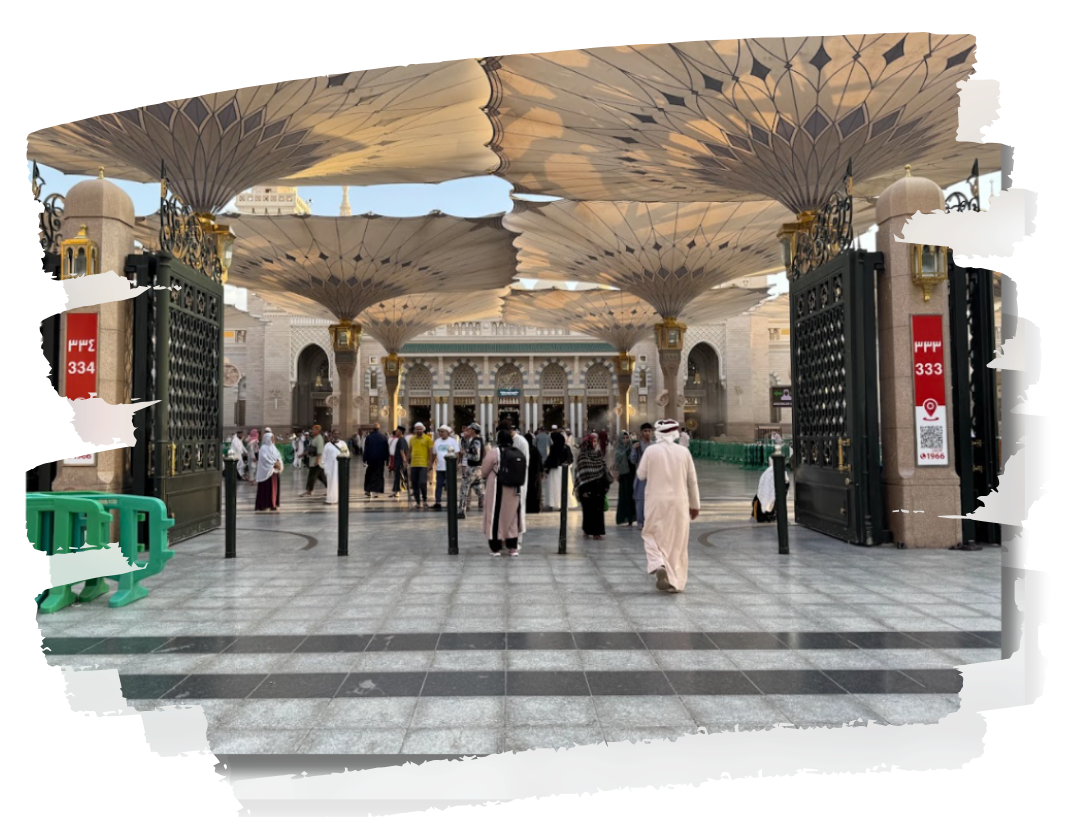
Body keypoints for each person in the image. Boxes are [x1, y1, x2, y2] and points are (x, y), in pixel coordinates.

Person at [636, 419, 701, 594]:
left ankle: (658, 563)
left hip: (655, 502)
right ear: (675, 433)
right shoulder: (684, 452)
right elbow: (692, 481)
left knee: (650, 534)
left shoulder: (651, 451)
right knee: (677, 543)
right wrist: (695, 505)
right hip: (679, 502)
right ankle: (675, 583)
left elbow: (641, 475)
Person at [481, 428, 525, 556]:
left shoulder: (495, 452)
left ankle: (496, 548)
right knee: (512, 516)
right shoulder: (517, 452)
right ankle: (512, 547)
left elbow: (484, 471)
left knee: (495, 515)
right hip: (514, 488)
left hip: (497, 487)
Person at [575, 433, 611, 540]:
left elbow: (603, 468)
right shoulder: (582, 456)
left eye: (596, 441)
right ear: (588, 442)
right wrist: (583, 491)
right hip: (587, 488)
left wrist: (605, 484)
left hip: (598, 487)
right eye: (593, 441)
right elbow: (581, 473)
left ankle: (597, 533)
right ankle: (587, 530)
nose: (595, 443)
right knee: (588, 511)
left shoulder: (598, 454)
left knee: (598, 511)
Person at [457, 422, 486, 519]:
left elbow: (476, 457)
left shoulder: (476, 441)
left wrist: (465, 453)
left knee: (463, 490)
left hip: (473, 468)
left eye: (469, 429)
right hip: (477, 468)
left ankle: (461, 511)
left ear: (473, 430)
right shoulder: (479, 439)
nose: (467, 430)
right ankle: (493, 506)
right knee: (479, 491)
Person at [752, 456, 791, 523]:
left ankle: (767, 515)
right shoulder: (781, 470)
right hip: (776, 496)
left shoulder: (767, 472)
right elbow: (786, 482)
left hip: (765, 498)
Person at [629, 422, 653, 527]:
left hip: (653, 476)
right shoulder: (638, 445)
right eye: (645, 431)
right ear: (641, 432)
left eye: (649, 431)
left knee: (653, 499)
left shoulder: (655, 445)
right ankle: (640, 522)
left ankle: (650, 521)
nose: (647, 433)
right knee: (640, 499)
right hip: (641, 477)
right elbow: (633, 460)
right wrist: (634, 449)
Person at [431, 425, 460, 511]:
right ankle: (438, 502)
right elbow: (434, 454)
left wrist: (456, 464)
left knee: (450, 486)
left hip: (450, 468)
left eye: (442, 431)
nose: (441, 433)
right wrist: (431, 464)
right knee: (439, 485)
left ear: (447, 432)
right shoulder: (437, 442)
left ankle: (450, 501)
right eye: (440, 432)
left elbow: (457, 453)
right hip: (440, 467)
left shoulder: (452, 441)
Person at [254, 431, 284, 511]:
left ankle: (273, 504)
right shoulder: (263, 448)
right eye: (271, 438)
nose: (273, 439)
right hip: (267, 472)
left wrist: (279, 463)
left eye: (273, 438)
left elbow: (278, 456)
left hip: (274, 471)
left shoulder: (274, 448)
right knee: (266, 489)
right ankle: (265, 505)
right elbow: (264, 459)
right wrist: (274, 463)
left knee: (274, 488)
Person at [614, 431, 637, 527]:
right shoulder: (618, 450)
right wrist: (629, 451)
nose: (625, 440)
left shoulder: (633, 448)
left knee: (633, 497)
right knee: (625, 497)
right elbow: (619, 458)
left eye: (627, 438)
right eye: (623, 438)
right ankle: (627, 518)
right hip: (624, 477)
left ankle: (634, 517)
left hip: (633, 475)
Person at [409, 423, 433, 509]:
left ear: (423, 429)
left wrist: (430, 462)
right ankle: (418, 502)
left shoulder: (428, 439)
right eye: (417, 429)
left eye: (420, 429)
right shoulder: (412, 439)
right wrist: (407, 462)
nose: (419, 430)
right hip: (414, 464)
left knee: (423, 483)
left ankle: (425, 499)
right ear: (415, 430)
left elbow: (430, 451)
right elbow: (410, 450)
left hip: (423, 464)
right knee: (414, 483)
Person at [362, 423, 390, 498]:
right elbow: (386, 449)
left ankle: (368, 490)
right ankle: (376, 491)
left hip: (371, 459)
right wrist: (387, 460)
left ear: (372, 428)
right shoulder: (383, 437)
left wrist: (364, 459)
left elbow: (366, 449)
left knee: (369, 474)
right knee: (379, 475)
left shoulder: (369, 437)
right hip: (380, 460)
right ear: (379, 428)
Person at [323, 431, 348, 505]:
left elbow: (346, 454)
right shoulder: (327, 445)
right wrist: (325, 468)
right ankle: (331, 499)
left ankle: (339, 498)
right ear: (332, 435)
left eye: (337, 434)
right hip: (330, 468)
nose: (336, 435)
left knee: (340, 483)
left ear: (339, 435)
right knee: (331, 483)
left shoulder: (343, 444)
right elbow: (324, 457)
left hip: (340, 467)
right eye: (334, 434)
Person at [302, 424, 327, 496]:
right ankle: (331, 488)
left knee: (312, 477)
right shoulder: (314, 438)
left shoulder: (319, 438)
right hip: (313, 460)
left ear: (318, 430)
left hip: (316, 462)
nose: (312, 431)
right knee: (322, 477)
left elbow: (320, 450)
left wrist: (317, 460)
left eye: (314, 430)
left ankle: (309, 491)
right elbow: (311, 448)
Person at [524, 432, 543, 514]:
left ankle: (527, 507)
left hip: (526, 473)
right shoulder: (535, 450)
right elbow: (540, 462)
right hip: (535, 474)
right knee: (535, 491)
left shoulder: (524, 449)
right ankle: (535, 508)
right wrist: (541, 471)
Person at [389, 426, 410, 498]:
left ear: (401, 432)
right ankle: (395, 492)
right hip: (399, 461)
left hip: (400, 461)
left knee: (399, 477)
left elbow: (402, 451)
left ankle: (397, 492)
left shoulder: (401, 440)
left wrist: (404, 460)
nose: (396, 432)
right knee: (398, 476)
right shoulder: (402, 439)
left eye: (397, 431)